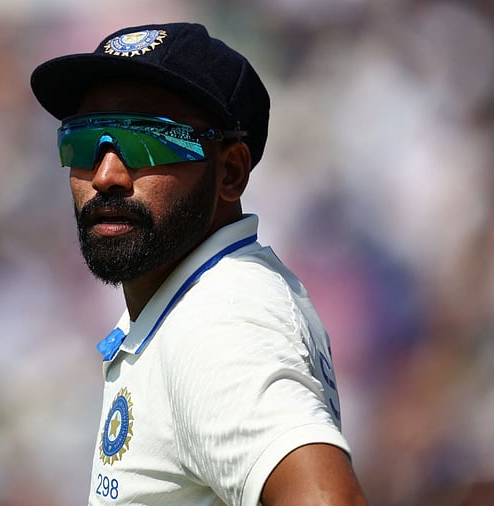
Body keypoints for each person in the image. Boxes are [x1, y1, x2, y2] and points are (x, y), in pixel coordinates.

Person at [30, 22, 368, 505]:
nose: (105, 175)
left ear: (230, 171)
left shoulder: (218, 317)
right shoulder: (195, 300)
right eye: (84, 142)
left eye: (147, 139)